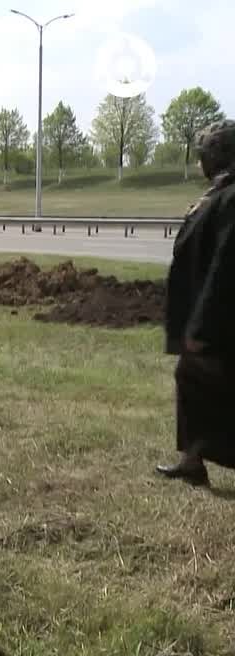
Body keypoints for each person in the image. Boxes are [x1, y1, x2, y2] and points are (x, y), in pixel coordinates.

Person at [156, 119, 235, 487]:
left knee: (214, 382)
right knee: (190, 378)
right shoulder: (220, 192)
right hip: (207, 315)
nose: (201, 160)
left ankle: (195, 457)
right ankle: (191, 459)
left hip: (221, 320)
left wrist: (202, 327)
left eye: (206, 152)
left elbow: (226, 267)